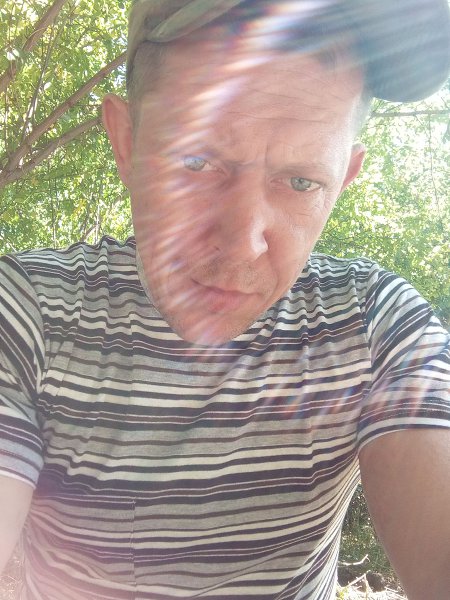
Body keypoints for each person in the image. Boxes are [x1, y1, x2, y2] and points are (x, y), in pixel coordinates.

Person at [0, 1, 449, 598]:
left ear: (342, 180)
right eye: (198, 160)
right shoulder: (27, 312)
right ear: (127, 142)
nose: (243, 242)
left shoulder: (373, 325)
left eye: (301, 182)